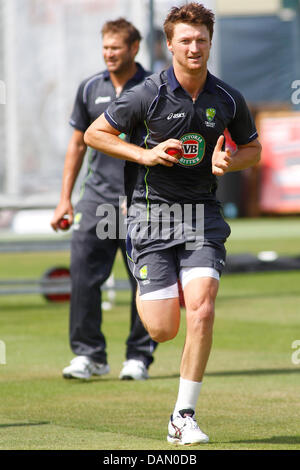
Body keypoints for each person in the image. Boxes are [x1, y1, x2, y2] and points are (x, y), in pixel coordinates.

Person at [84, 3, 261, 445]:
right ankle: (152, 285)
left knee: (202, 308)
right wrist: (144, 153)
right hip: (150, 215)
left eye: (201, 39)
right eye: (185, 39)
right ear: (169, 45)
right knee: (164, 329)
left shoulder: (228, 98)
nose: (194, 46)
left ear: (210, 42)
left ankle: (183, 415)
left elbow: (252, 150)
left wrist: (230, 159)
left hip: (202, 215)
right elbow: (94, 135)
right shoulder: (147, 93)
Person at [51, 18, 157, 381]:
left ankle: (139, 357)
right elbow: (78, 144)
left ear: (134, 48)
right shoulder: (90, 87)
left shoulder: (154, 87)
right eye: (105, 48)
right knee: (83, 276)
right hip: (95, 200)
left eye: (116, 48)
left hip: (141, 200)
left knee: (143, 279)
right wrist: (64, 199)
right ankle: (89, 355)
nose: (109, 54)